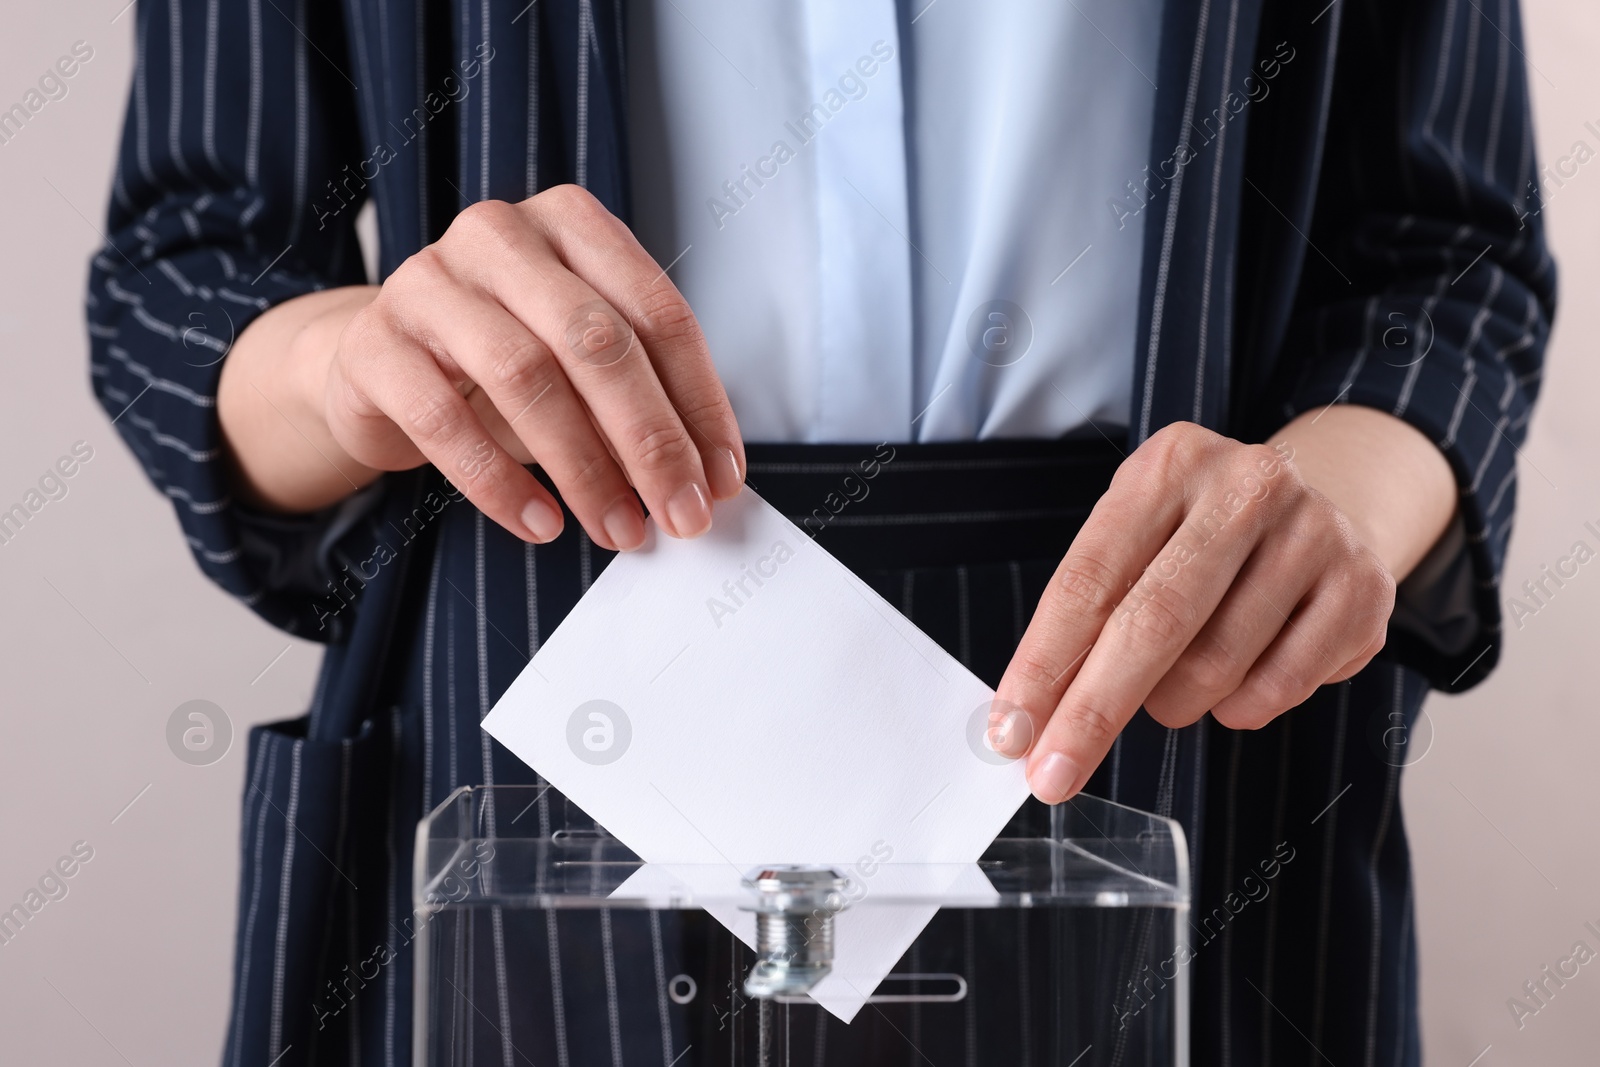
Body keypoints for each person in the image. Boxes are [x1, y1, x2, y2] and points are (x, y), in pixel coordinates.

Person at [88, 0, 1553, 1063]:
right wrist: (354, 366)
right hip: (529, 724)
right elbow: (185, 266)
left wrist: (1342, 501)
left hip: (1169, 717)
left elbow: (1449, 260)